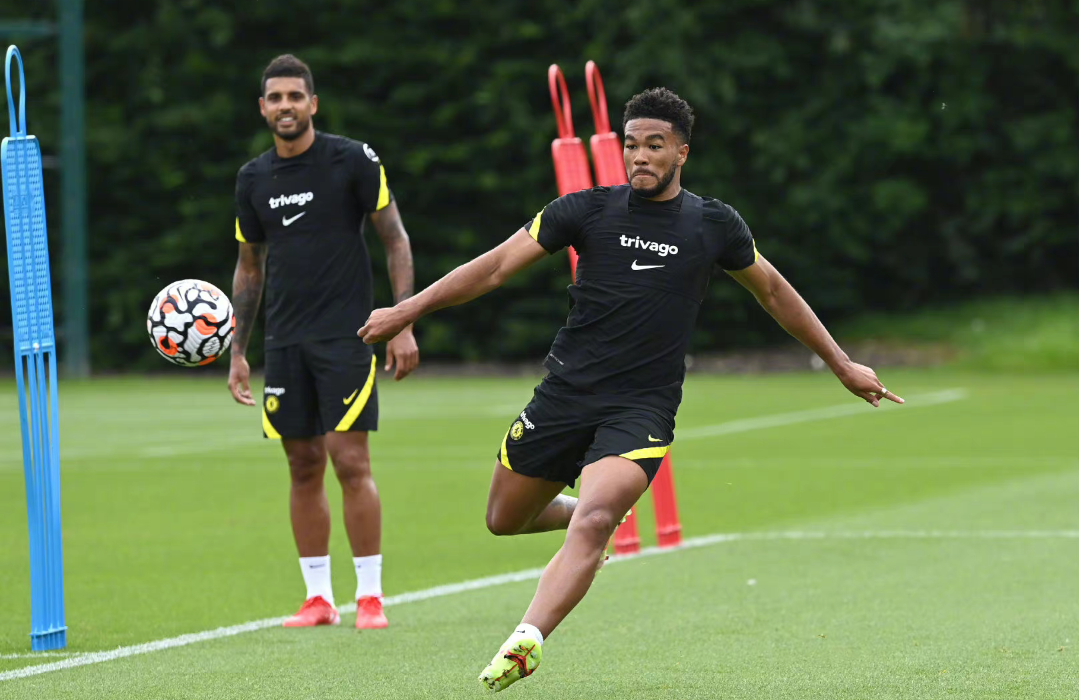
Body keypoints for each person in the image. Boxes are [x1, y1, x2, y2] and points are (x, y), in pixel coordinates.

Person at [359, 87, 903, 689]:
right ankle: (586, 525)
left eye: (655, 145)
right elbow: (493, 268)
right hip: (564, 395)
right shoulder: (583, 210)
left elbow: (773, 291)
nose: (640, 156)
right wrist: (406, 310)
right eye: (632, 145)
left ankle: (528, 638)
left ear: (682, 153)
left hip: (641, 408)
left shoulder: (713, 224)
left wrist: (841, 363)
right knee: (504, 519)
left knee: (596, 518)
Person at [229, 54, 419, 630]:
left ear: (313, 103)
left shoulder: (352, 159)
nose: (285, 105)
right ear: (262, 108)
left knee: (350, 461)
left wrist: (402, 321)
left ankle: (370, 597)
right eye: (275, 97)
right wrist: (238, 351)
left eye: (295, 96)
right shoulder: (252, 178)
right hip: (285, 341)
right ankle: (318, 599)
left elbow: (395, 239)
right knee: (302, 463)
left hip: (347, 336)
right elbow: (249, 267)